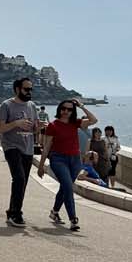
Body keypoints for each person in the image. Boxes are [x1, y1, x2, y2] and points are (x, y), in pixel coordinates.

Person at [38, 98, 98, 230]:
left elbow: (94, 120)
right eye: (63, 108)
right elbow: (46, 147)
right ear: (59, 109)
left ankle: (54, 212)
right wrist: (41, 166)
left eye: (69, 109)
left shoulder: (75, 123)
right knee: (68, 187)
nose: (66, 111)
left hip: (75, 160)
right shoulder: (53, 125)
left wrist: (81, 106)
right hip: (58, 159)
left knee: (65, 187)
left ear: (73, 111)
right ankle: (73, 219)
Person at [0, 77, 39, 226]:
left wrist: (39, 127)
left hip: (28, 148)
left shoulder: (32, 106)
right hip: (11, 146)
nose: (29, 92)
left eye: (31, 89)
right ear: (17, 89)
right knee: (19, 178)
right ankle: (16, 214)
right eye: (26, 89)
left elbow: (34, 129)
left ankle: (11, 211)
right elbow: (1, 128)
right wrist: (16, 123)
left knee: (23, 182)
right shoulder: (6, 105)